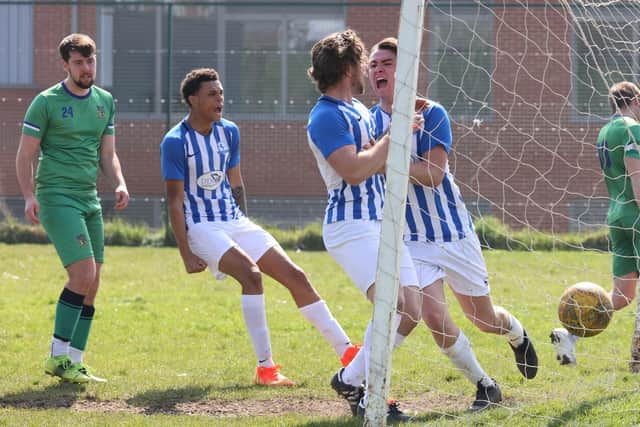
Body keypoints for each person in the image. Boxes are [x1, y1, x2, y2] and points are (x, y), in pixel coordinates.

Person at [367, 37, 539, 410]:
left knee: (484, 318)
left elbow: (433, 173)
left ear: (407, 67)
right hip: (410, 239)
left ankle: (516, 334)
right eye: (373, 64)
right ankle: (485, 385)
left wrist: (387, 164)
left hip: (452, 233)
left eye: (386, 63)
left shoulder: (431, 113)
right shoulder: (368, 122)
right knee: (432, 316)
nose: (377, 69)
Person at [160, 68, 359, 387]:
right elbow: (173, 201)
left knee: (296, 276)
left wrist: (242, 225)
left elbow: (236, 183)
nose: (220, 99)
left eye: (221, 93)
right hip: (200, 227)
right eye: (212, 94)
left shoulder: (230, 132)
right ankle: (266, 369)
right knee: (251, 275)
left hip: (233, 221)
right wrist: (185, 253)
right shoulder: (175, 141)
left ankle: (348, 352)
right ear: (192, 100)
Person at [306, 29, 419, 421]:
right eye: (363, 61)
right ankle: (373, 393)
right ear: (349, 67)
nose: (368, 68)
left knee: (411, 309)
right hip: (349, 226)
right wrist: (394, 136)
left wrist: (404, 133)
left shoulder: (358, 109)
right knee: (391, 306)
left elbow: (379, 159)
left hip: (380, 222)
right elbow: (354, 170)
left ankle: (350, 378)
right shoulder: (324, 116)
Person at [15, 33, 129, 383]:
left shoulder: (104, 101)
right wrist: (29, 195)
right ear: (65, 65)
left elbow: (107, 154)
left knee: (93, 283)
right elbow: (25, 155)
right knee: (82, 275)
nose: (86, 68)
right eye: (79, 62)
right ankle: (56, 356)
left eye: (90, 60)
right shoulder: (46, 102)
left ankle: (74, 362)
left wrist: (119, 182)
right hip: (56, 196)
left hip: (89, 198)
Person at [552, 81, 640, 371]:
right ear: (635, 100)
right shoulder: (631, 128)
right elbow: (635, 173)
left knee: (623, 295)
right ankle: (638, 351)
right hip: (637, 213)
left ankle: (570, 334)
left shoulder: (604, 132)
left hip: (617, 216)